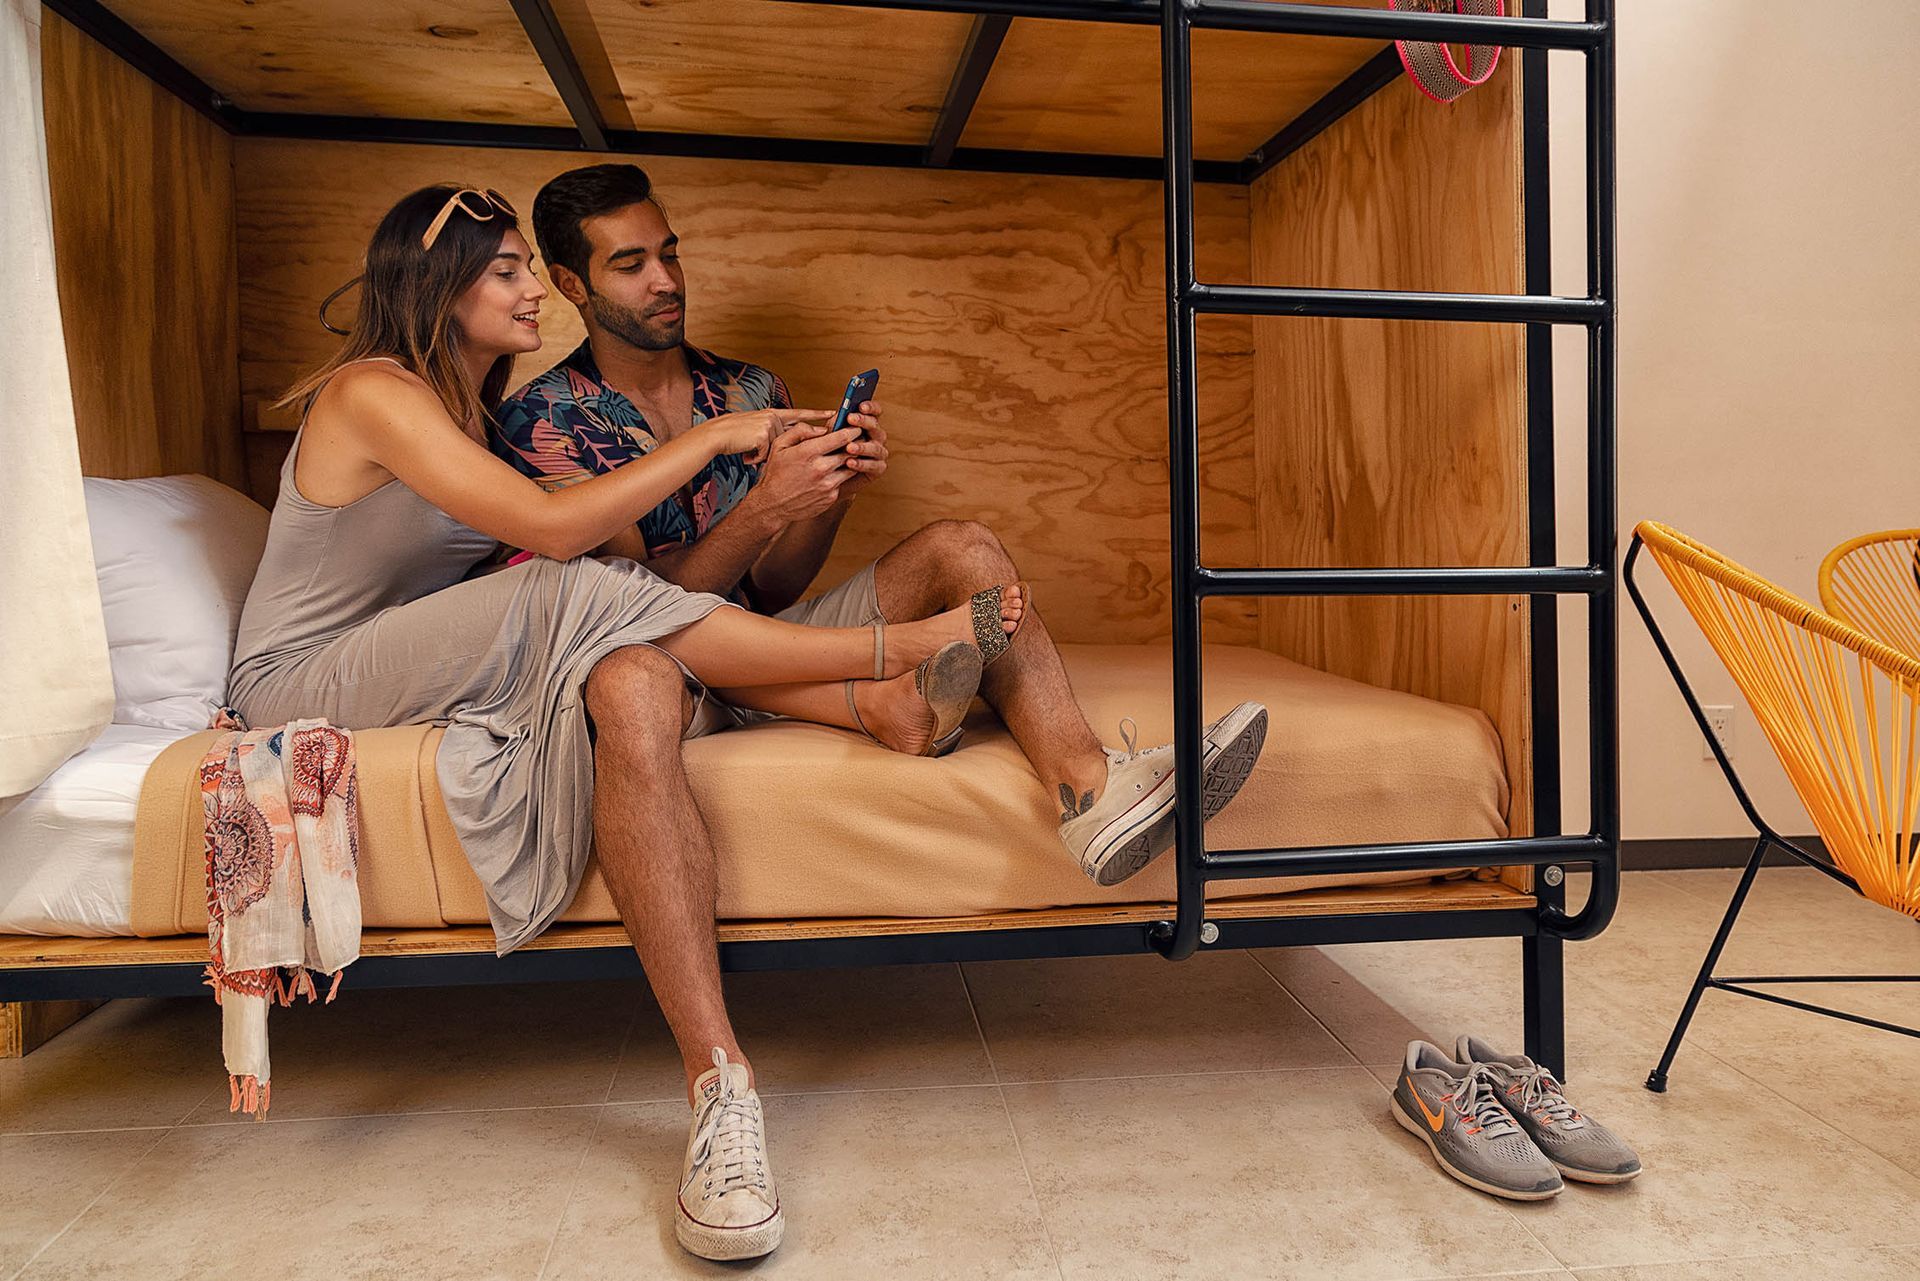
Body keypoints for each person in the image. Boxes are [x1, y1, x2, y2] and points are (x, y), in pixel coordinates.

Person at [225, 184, 1027, 1262]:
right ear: (439, 286)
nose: (527, 294)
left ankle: (871, 695)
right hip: (299, 678)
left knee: (592, 575)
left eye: (523, 268)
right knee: (566, 578)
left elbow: (581, 547)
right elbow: (550, 531)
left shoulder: (469, 407)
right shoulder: (375, 393)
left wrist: (793, 485)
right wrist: (712, 445)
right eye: (505, 272)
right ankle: (884, 660)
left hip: (407, 658)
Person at [491, 162, 1270, 891]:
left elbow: (775, 585)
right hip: (669, 666)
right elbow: (637, 611)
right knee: (651, 648)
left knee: (963, 546)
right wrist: (764, 505)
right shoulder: (546, 420)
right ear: (570, 284)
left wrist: (828, 495)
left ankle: (1091, 788)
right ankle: (891, 695)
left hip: (775, 635)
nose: (665, 281)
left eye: (670, 253)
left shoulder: (750, 389)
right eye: (629, 266)